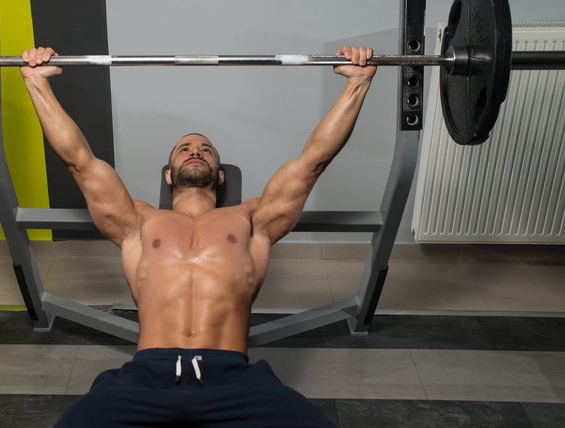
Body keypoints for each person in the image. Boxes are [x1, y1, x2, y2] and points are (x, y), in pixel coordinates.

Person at [21, 45, 376, 428]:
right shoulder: (139, 221)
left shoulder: (252, 219)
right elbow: (80, 162)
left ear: (219, 174)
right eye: (185, 148)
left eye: (206, 149)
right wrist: (36, 82)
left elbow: (312, 162)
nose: (196, 151)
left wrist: (357, 82)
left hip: (234, 380)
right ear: (169, 174)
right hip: (146, 379)